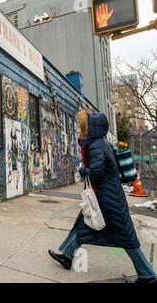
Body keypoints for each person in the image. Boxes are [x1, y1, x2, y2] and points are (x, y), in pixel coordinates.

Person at [48, 109, 156, 283]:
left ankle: (147, 274)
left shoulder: (96, 145)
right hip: (106, 196)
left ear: (91, 128)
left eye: (83, 126)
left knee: (125, 236)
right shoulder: (101, 143)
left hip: (107, 199)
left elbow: (96, 172)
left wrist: (83, 170)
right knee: (83, 225)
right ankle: (67, 256)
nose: (80, 129)